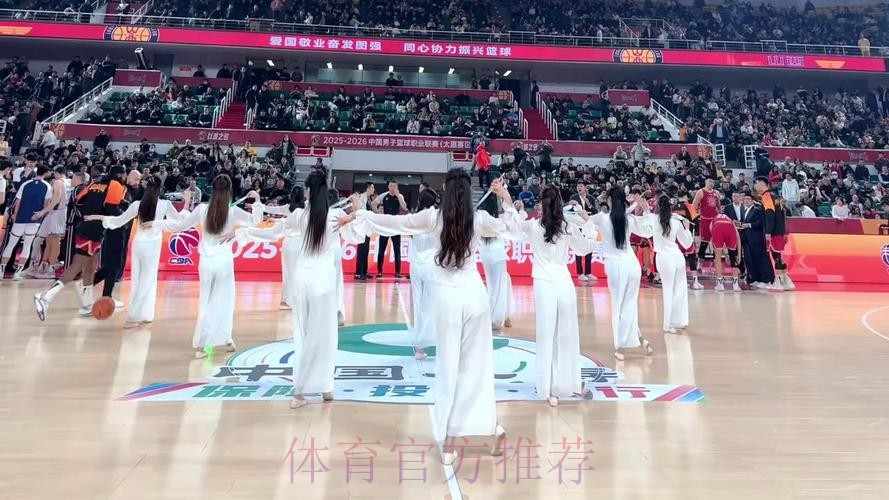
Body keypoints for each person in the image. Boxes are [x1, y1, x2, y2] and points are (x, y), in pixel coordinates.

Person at [343, 169, 511, 465]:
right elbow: (511, 226)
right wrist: (505, 196)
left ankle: (450, 440)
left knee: (448, 367)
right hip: (475, 296)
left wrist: (361, 214)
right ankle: (486, 426)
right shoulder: (479, 219)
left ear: (446, 189)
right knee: (477, 367)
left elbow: (394, 223)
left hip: (447, 297)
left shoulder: (433, 218)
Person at [238, 170, 362, 407]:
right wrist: (357, 211)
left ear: (309, 191)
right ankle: (320, 387)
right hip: (323, 282)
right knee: (324, 336)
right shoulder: (335, 215)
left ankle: (307, 389)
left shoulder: (298, 216)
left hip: (302, 280)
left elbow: (273, 233)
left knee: (303, 335)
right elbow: (357, 237)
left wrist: (244, 233)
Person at [159, 175, 262, 357]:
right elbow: (256, 221)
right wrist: (258, 201)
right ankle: (224, 338)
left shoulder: (202, 209)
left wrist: (158, 223)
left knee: (206, 301)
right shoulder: (233, 212)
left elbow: (180, 225)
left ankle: (205, 344)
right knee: (224, 300)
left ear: (212, 190)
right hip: (223, 260)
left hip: (206, 261)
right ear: (229, 191)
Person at [517, 185, 596, 406]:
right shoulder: (567, 226)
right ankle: (570, 384)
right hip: (563, 282)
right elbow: (584, 248)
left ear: (541, 204)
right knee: (567, 335)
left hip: (544, 283)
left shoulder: (533, 226)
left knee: (546, 335)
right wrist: (588, 223)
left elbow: (512, 227)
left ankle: (548, 387)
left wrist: (512, 205)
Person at [83, 175, 187, 328]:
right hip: (152, 245)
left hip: (139, 243)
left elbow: (118, 220)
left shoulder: (138, 204)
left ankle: (141, 314)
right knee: (148, 280)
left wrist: (99, 217)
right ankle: (136, 316)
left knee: (138, 279)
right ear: (160, 189)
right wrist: (160, 222)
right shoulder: (165, 205)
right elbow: (179, 222)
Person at [34, 166, 128, 320]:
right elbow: (111, 207)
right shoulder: (116, 185)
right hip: (94, 230)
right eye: (124, 174)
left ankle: (86, 305)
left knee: (91, 265)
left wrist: (91, 212)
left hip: (85, 226)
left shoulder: (94, 183)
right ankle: (45, 297)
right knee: (76, 266)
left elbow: (78, 201)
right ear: (119, 175)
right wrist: (124, 217)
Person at [580, 187, 653, 361]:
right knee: (629, 305)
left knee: (619, 307)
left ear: (611, 200)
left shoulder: (603, 218)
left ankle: (620, 346)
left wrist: (584, 216)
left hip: (616, 266)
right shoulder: (629, 219)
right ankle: (640, 339)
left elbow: (586, 225)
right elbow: (648, 231)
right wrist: (647, 211)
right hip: (632, 265)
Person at [91, 169, 143, 306]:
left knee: (114, 265)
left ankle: (90, 284)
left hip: (121, 229)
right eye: (136, 179)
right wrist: (122, 218)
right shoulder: (120, 188)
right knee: (113, 265)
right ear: (127, 176)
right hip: (115, 230)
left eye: (139, 180)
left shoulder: (130, 190)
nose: (138, 182)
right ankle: (105, 295)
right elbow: (112, 208)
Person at [643, 196, 693, 334]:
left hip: (664, 258)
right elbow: (687, 244)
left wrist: (645, 208)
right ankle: (680, 321)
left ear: (658, 206)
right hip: (677, 257)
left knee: (668, 290)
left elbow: (645, 223)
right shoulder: (677, 221)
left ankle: (668, 324)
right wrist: (687, 229)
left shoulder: (653, 219)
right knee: (680, 289)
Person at [1, 166, 53, 281]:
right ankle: (17, 273)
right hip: (34, 220)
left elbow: (18, 202)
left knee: (10, 244)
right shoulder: (48, 186)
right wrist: (41, 215)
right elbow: (46, 205)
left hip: (21, 218)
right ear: (46, 173)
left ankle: (1, 271)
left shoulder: (25, 184)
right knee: (27, 245)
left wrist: (15, 216)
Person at [409, 188, 438, 360]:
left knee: (419, 303)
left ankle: (420, 346)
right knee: (431, 304)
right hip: (430, 265)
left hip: (416, 264)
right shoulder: (436, 217)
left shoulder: (415, 217)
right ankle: (429, 340)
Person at [264, 185, 305, 309]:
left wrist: (258, 205)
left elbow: (272, 210)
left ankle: (286, 300)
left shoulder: (288, 208)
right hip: (301, 244)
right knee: (300, 272)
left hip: (289, 244)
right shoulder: (306, 209)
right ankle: (298, 300)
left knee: (288, 273)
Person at [478, 194, 515, 331]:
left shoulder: (480, 218)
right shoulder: (496, 220)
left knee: (495, 284)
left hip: (485, 254)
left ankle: (503, 316)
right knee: (499, 286)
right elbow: (508, 224)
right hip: (497, 255)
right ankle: (497, 319)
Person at [738, 191, 774, 288]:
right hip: (747, 238)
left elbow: (760, 223)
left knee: (761, 259)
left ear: (752, 201)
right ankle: (756, 278)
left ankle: (767, 279)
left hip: (756, 238)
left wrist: (749, 225)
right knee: (751, 259)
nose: (746, 201)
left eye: (748, 199)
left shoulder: (757, 210)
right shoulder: (743, 210)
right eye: (745, 199)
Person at [372, 180, 407, 279]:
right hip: (385, 225)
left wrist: (398, 195)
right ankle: (379, 271)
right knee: (381, 249)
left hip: (395, 225)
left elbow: (404, 207)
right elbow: (374, 203)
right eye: (391, 186)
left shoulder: (400, 196)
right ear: (388, 187)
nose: (392, 188)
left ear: (397, 187)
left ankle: (397, 272)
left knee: (397, 249)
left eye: (394, 186)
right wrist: (377, 213)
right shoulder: (384, 195)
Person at [716, 192, 745, 291]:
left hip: (743, 233)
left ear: (740, 197)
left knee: (738, 255)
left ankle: (739, 277)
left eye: (737, 196)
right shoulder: (727, 209)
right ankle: (731, 281)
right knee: (733, 256)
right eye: (734, 196)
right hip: (730, 233)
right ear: (732, 197)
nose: (736, 198)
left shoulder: (744, 207)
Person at [570, 183, 597, 282]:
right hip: (578, 226)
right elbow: (570, 211)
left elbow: (595, 211)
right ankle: (580, 273)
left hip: (588, 226)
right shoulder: (573, 197)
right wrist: (572, 205)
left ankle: (588, 272)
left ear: (585, 188)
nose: (579, 188)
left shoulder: (591, 198)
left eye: (581, 186)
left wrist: (588, 203)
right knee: (578, 249)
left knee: (589, 248)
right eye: (578, 186)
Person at [693, 178, 719, 260]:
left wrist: (719, 216)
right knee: (705, 238)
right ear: (706, 182)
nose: (711, 183)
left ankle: (716, 255)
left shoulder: (716, 192)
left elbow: (718, 206)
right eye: (710, 181)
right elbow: (694, 205)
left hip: (715, 219)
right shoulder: (701, 192)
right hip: (705, 218)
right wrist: (699, 212)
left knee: (716, 237)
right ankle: (701, 255)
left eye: (713, 182)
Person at [353, 182, 375, 280]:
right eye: (372, 188)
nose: (374, 190)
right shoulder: (362, 197)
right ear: (368, 188)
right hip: (362, 228)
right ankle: (359, 272)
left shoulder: (368, 199)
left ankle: (364, 271)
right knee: (362, 250)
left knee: (365, 250)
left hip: (367, 228)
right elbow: (360, 211)